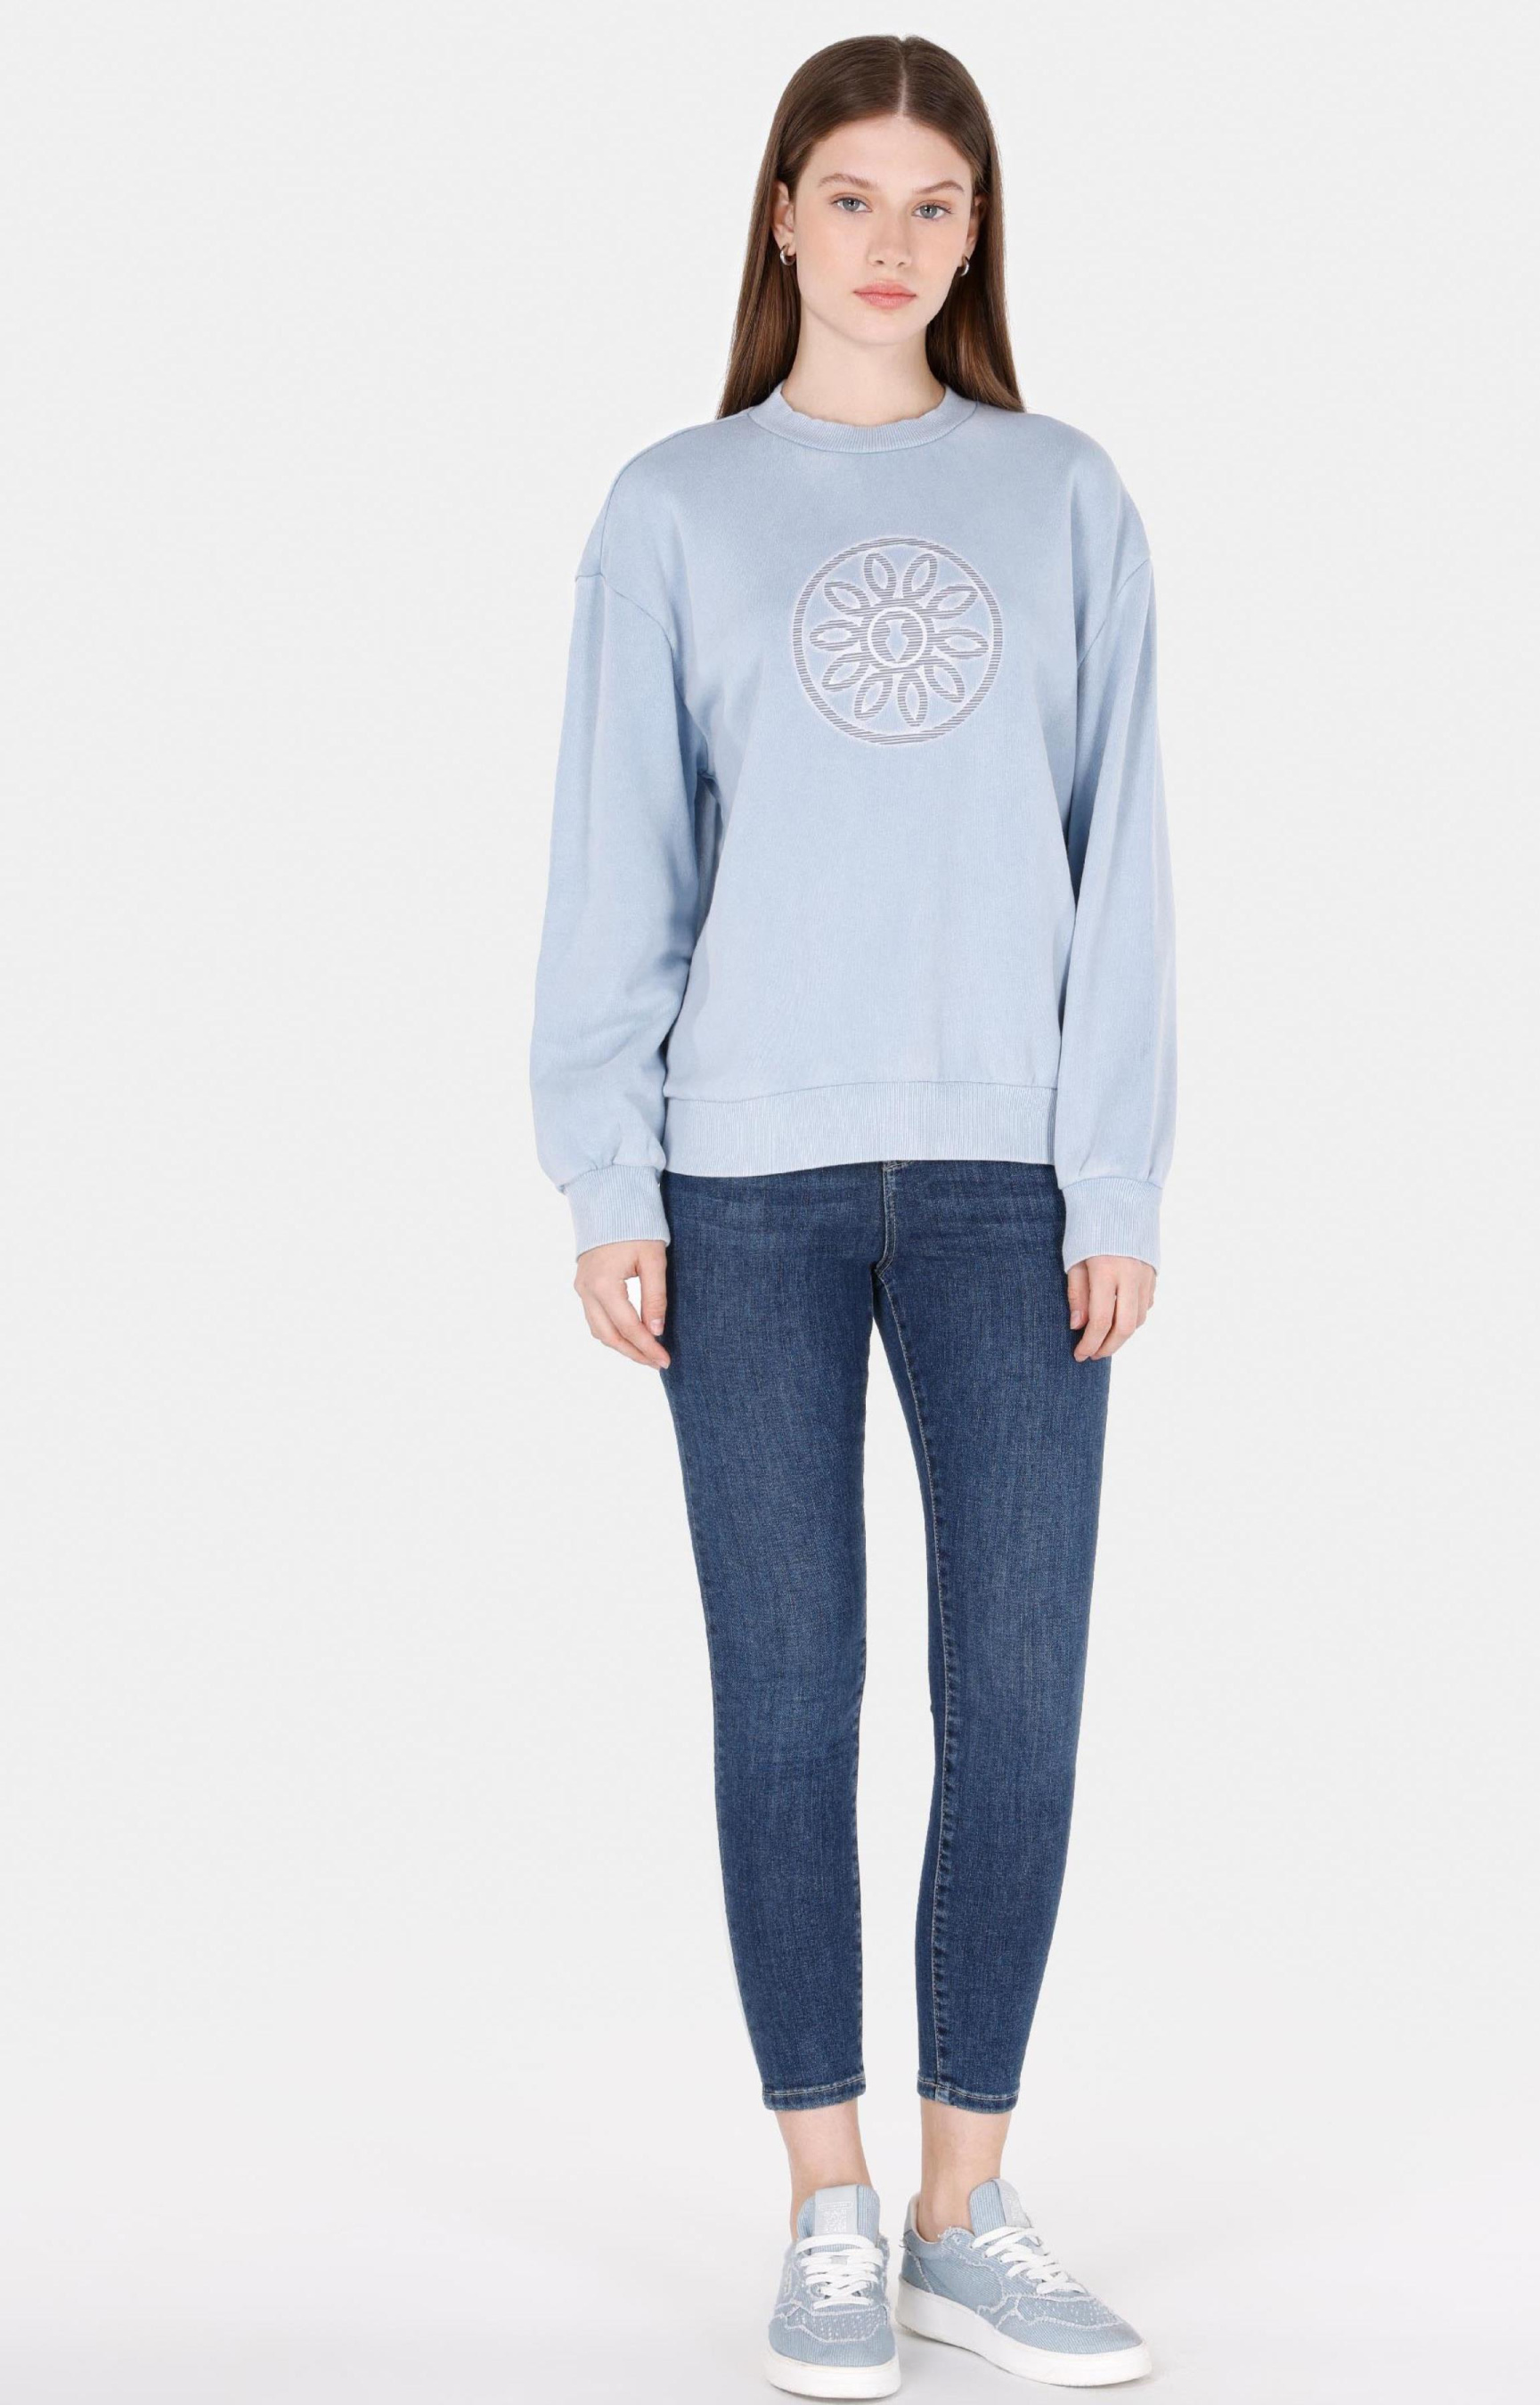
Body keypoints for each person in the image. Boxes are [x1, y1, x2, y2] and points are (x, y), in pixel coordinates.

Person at [529, 34, 1175, 2397]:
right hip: (743, 1187)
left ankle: (960, 2205)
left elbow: (1125, 860)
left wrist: (1113, 1172)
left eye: (935, 201)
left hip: (1012, 1183)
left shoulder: (1065, 495)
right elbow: (618, 852)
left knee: (1018, 1698)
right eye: (852, 195)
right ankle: (824, 2200)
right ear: (780, 216)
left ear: (974, 233)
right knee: (788, 1698)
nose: (892, 241)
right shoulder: (675, 509)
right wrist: (608, 1168)